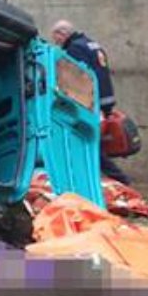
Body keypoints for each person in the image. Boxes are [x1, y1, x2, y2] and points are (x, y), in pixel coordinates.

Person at [50, 20, 130, 184]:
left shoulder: (75, 48)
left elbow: (75, 78)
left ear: (63, 34)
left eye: (56, 37)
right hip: (105, 99)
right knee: (94, 144)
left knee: (90, 143)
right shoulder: (92, 44)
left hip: (92, 102)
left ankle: (120, 179)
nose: (56, 42)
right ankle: (99, 179)